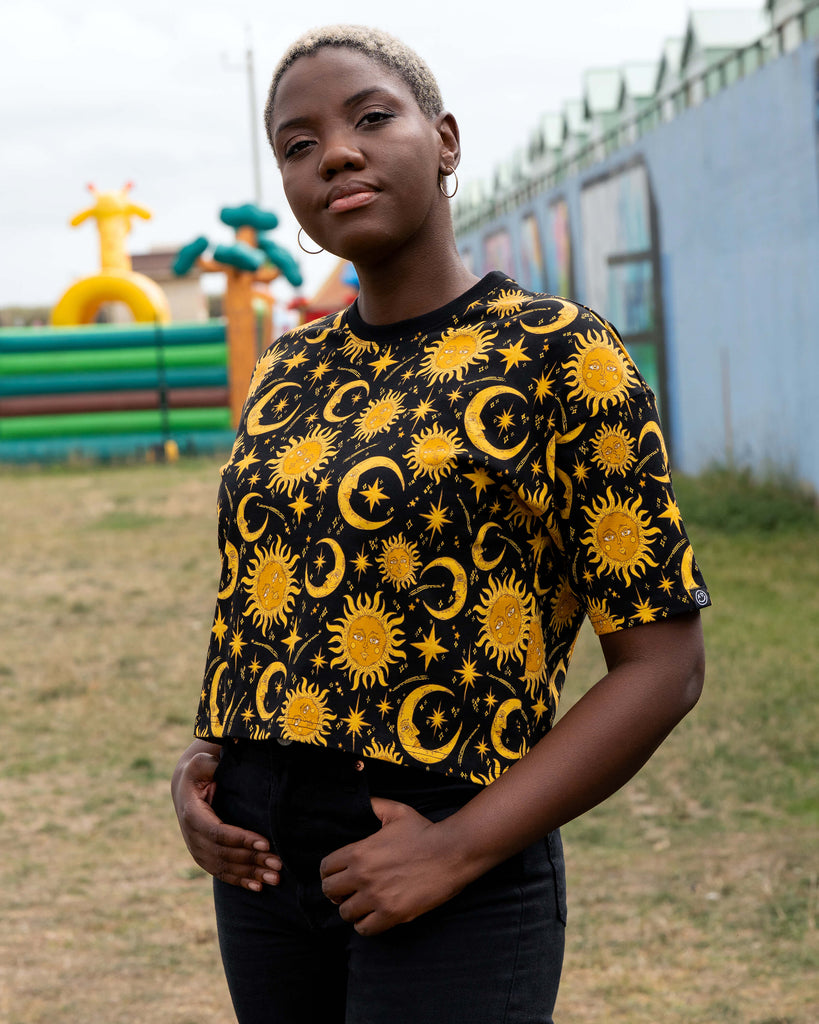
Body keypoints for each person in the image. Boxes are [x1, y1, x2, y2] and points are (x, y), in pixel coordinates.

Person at [171, 24, 710, 1024]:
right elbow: (268, 603)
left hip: (454, 848)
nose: (334, 151)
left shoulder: (562, 357)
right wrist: (209, 764)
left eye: (372, 117)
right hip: (261, 859)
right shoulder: (289, 372)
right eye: (297, 144)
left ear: (447, 140)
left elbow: (663, 665)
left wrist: (453, 850)